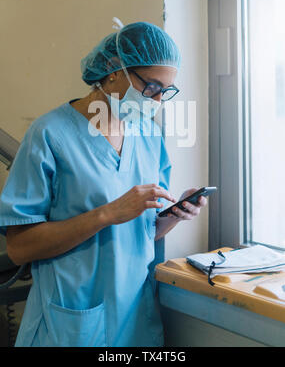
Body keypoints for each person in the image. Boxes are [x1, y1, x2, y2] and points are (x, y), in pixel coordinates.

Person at [0, 19, 207, 347]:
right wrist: (107, 213)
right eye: (150, 87)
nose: (156, 102)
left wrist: (172, 215)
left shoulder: (149, 135)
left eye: (165, 92)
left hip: (134, 319)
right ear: (114, 70)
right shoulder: (50, 135)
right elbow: (20, 246)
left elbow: (139, 232)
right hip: (71, 323)